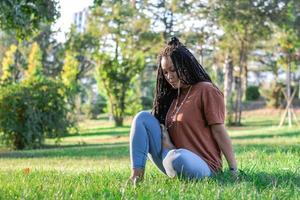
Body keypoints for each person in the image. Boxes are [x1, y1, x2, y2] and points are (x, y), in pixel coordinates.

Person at [129, 37, 237, 184]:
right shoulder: (174, 96)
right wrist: (168, 145)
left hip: (203, 165)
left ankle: (177, 163)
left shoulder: (206, 90)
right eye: (165, 72)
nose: (169, 77)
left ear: (185, 66)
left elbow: (219, 131)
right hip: (170, 156)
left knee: (178, 158)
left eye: (173, 70)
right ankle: (136, 177)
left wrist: (233, 169)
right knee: (142, 118)